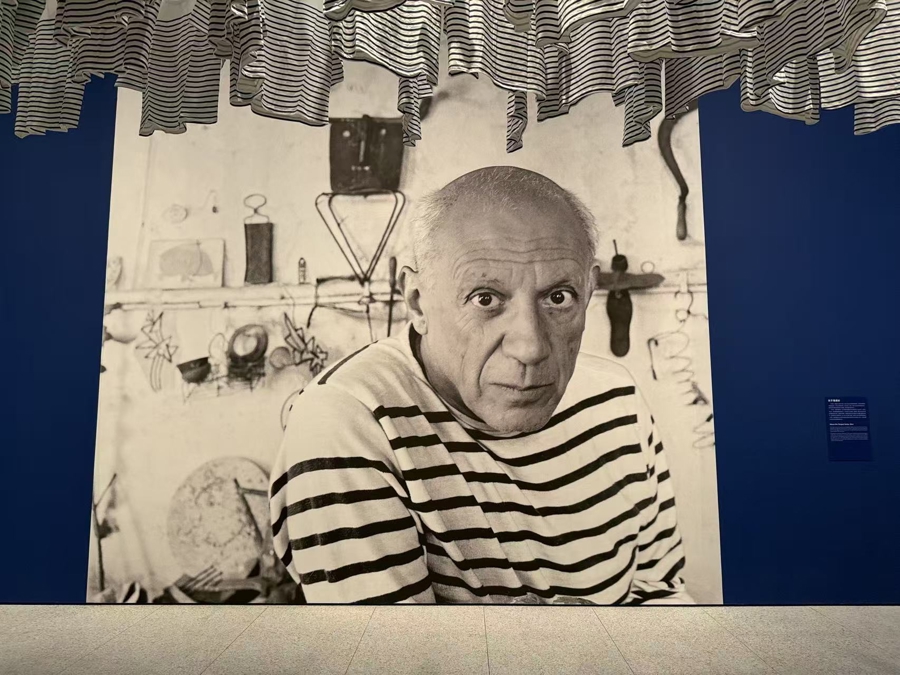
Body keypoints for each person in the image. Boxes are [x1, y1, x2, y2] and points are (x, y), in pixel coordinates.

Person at [268, 166, 693, 604]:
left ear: (588, 291)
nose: (530, 347)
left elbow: (663, 593)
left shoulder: (617, 399)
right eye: (485, 299)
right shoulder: (346, 418)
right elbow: (381, 644)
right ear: (417, 301)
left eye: (558, 297)